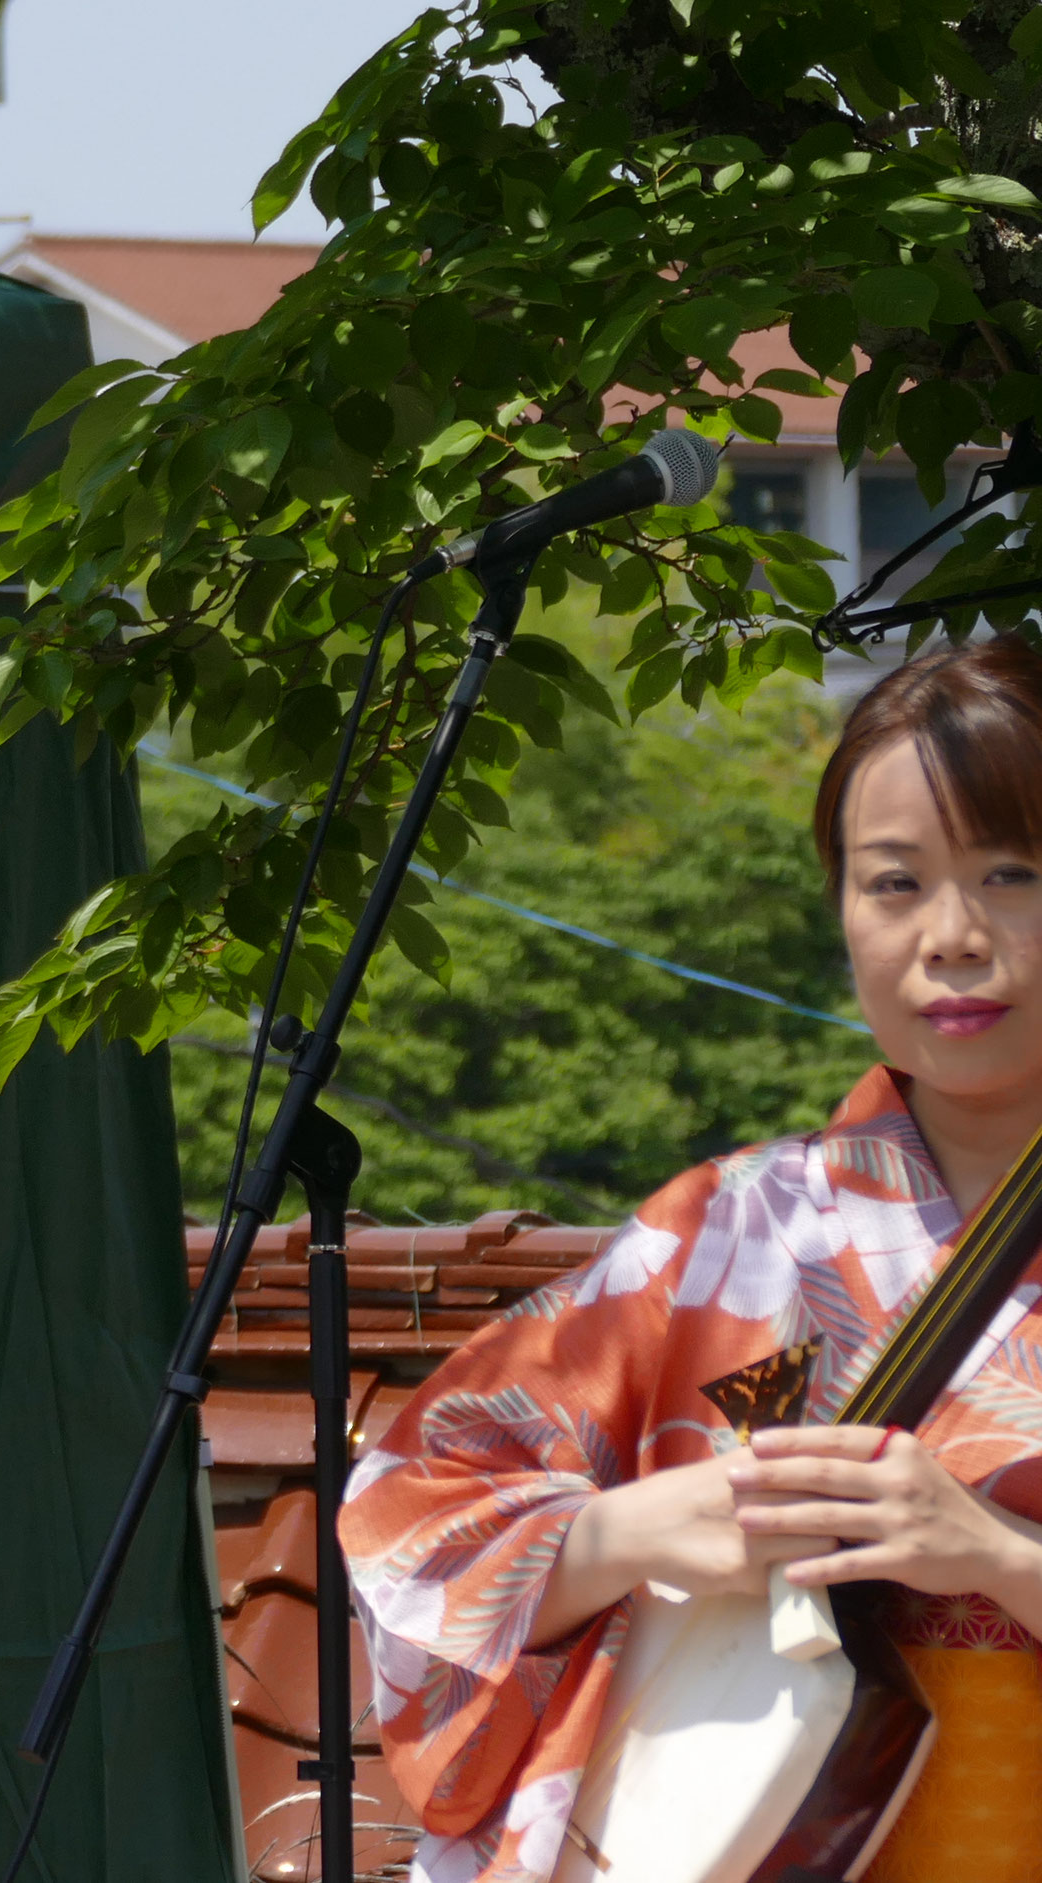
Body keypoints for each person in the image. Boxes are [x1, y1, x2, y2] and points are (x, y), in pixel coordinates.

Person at [345, 638, 1042, 1883]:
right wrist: (624, 1532)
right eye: (893, 883)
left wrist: (993, 1558)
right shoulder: (729, 1229)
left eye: (1012, 871)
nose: (950, 937)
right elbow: (412, 1512)